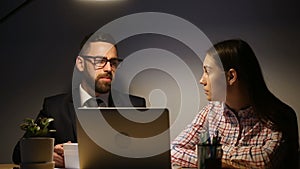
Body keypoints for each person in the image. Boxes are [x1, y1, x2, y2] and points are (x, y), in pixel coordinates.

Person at [12, 32, 146, 167]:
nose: (108, 68)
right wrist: (48, 153)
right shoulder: (55, 108)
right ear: (80, 64)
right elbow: (18, 153)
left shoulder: (135, 105)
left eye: (113, 62)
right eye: (100, 61)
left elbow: (148, 154)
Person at [171, 39, 299, 168]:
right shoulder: (210, 111)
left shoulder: (278, 117)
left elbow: (264, 160)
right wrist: (221, 164)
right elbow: (174, 150)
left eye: (207, 72)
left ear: (231, 76)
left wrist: (210, 155)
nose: (201, 80)